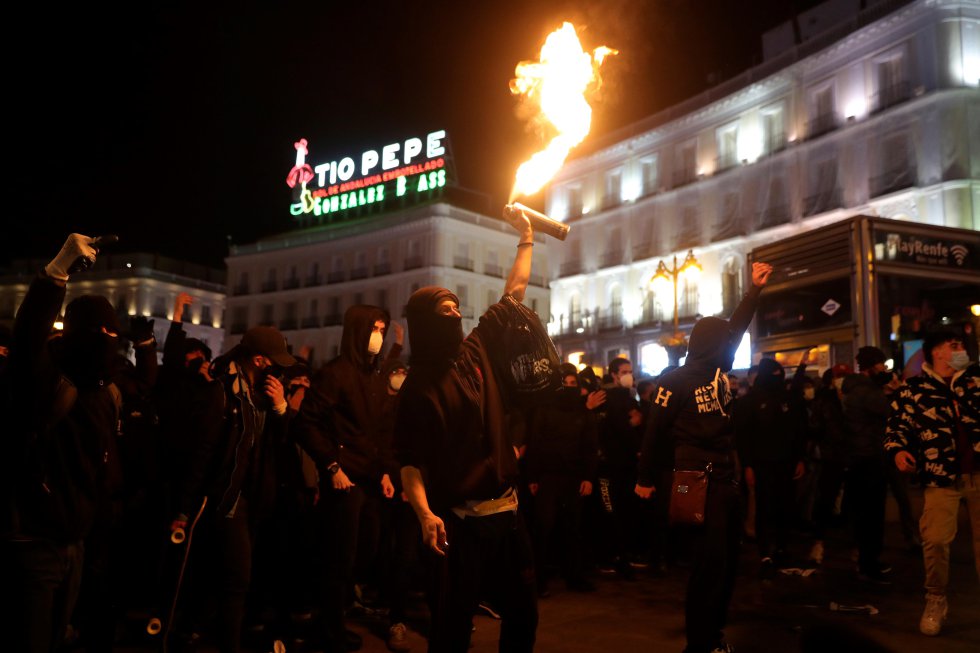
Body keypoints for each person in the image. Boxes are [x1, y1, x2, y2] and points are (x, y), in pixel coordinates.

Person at [394, 206, 538, 652]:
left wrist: (527, 238)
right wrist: (423, 514)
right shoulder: (417, 388)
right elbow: (410, 464)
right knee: (453, 626)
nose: (455, 313)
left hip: (508, 515)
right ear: (424, 322)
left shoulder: (475, 352)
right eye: (444, 308)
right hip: (460, 525)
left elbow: (512, 293)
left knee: (523, 613)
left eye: (457, 305)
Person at [635, 260, 773, 653]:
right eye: (723, 339)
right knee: (708, 568)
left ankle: (714, 635)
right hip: (697, 481)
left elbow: (737, 327)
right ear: (710, 344)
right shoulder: (674, 380)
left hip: (725, 481)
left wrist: (754, 291)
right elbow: (653, 431)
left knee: (728, 565)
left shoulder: (718, 369)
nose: (730, 342)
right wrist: (645, 479)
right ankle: (700, 643)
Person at [2, 234, 121, 653]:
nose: (107, 339)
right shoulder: (46, 380)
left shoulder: (106, 391)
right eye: (99, 332)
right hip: (31, 543)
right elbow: (28, 339)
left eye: (113, 332)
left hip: (75, 544)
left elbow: (104, 468)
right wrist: (57, 271)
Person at [171, 325, 295, 653]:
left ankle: (196, 629)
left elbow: (284, 446)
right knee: (237, 580)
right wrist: (184, 509)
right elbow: (202, 453)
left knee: (225, 577)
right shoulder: (223, 393)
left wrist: (282, 408)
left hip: (256, 499)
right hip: (228, 500)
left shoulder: (267, 396)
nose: (280, 369)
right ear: (258, 360)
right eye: (274, 361)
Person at [293, 306, 402, 652]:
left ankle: (334, 616)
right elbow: (307, 423)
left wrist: (385, 469)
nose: (379, 336)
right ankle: (329, 629)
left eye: (383, 330)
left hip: (370, 478)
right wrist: (332, 467)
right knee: (340, 556)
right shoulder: (335, 374)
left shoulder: (375, 376)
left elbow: (381, 430)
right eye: (374, 329)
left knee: (364, 550)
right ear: (358, 331)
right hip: (344, 480)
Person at [885, 331, 980, 637]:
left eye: (963, 346)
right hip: (940, 476)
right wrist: (899, 450)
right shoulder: (913, 390)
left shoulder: (976, 382)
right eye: (954, 345)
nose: (960, 349)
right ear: (936, 352)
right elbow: (896, 428)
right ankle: (936, 599)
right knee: (936, 540)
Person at [525, 363, 598, 596]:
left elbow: (589, 446)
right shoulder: (544, 408)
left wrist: (587, 477)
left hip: (573, 477)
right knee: (544, 528)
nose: (568, 388)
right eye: (564, 383)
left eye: (572, 384)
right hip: (548, 476)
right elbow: (535, 442)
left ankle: (574, 575)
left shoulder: (582, 411)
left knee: (573, 528)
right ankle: (539, 578)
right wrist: (533, 476)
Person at [736, 357, 806, 579]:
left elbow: (798, 431)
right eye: (774, 375)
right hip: (761, 464)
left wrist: (799, 459)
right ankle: (765, 551)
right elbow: (743, 437)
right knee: (764, 508)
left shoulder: (789, 399)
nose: (778, 378)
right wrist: (747, 465)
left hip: (786, 462)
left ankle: (782, 547)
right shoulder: (749, 402)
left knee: (785, 506)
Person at [839, 346, 900, 583]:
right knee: (872, 514)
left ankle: (863, 558)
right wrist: (893, 390)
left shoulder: (851, 388)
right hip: (870, 458)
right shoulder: (868, 392)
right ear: (871, 366)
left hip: (856, 457)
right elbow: (890, 412)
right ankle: (869, 563)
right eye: (881, 365)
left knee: (862, 512)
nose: (884, 369)